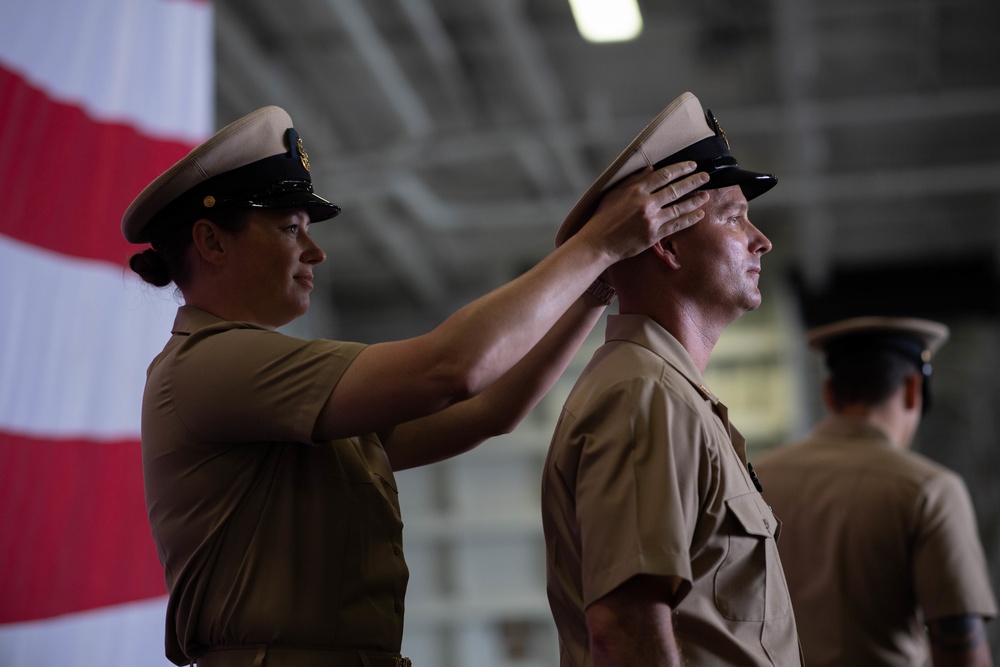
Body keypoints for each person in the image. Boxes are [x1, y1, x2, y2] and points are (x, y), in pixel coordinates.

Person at [121, 105, 710, 667]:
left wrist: (594, 287)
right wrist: (596, 246)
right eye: (289, 228)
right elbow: (452, 369)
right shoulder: (214, 365)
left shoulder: (270, 386)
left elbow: (489, 410)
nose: (314, 251)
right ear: (212, 241)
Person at [540, 91, 801, 666]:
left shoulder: (667, 392)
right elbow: (626, 631)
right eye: (734, 218)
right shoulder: (645, 394)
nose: (762, 240)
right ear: (667, 244)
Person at [754, 316, 998, 667]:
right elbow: (961, 649)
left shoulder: (757, 478)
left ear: (829, 394)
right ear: (914, 389)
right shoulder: (928, 490)